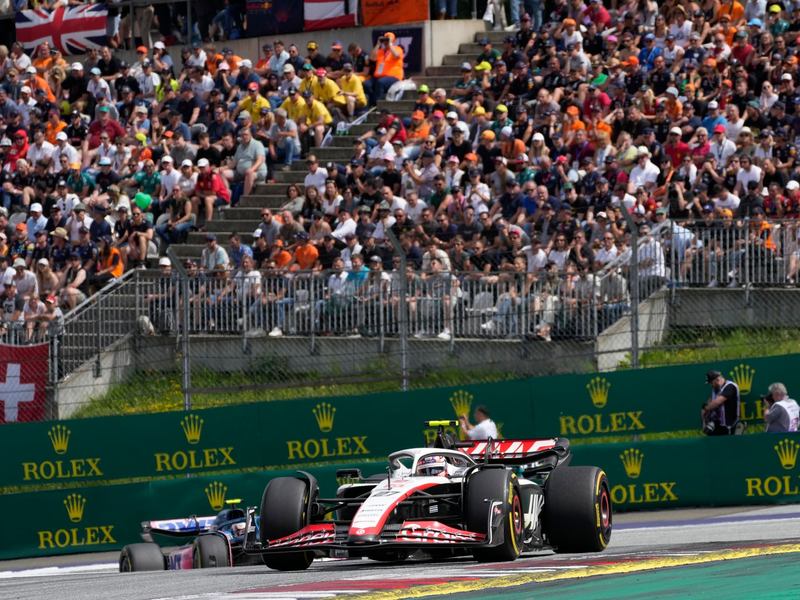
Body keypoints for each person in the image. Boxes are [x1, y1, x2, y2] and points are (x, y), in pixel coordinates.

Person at [702, 370, 740, 436]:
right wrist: (704, 407)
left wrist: (706, 408)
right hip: (716, 424)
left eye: (711, 382)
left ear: (717, 380)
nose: (711, 385)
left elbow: (718, 401)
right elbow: (712, 399)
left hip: (728, 425)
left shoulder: (730, 386)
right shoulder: (716, 388)